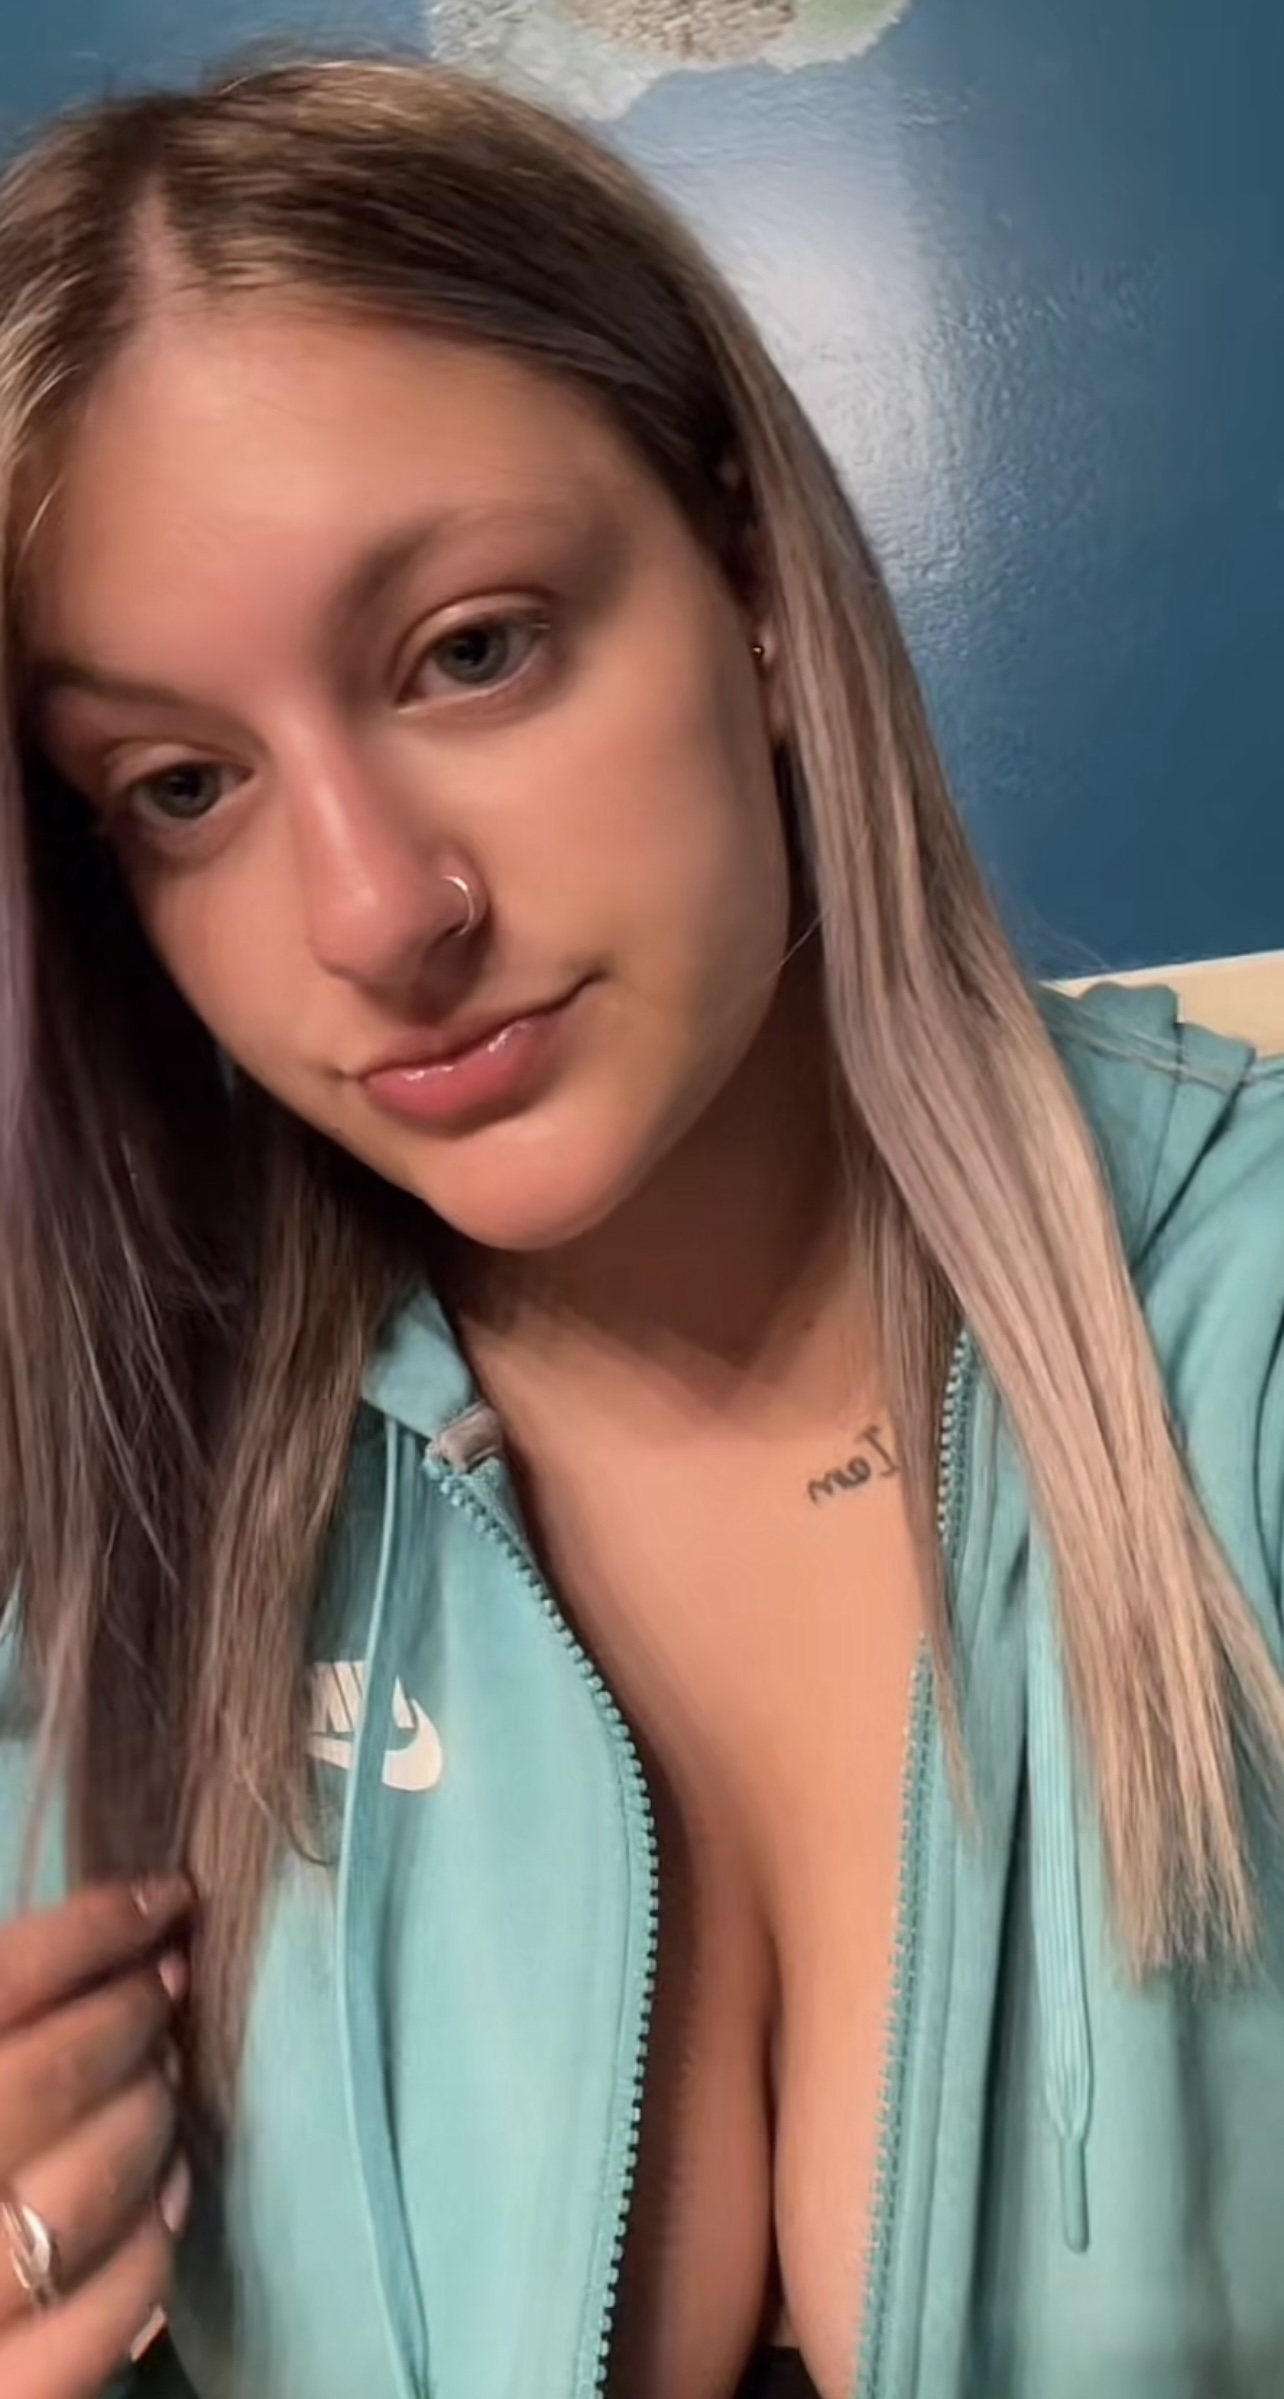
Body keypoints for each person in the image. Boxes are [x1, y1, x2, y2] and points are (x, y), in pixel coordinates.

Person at [0, 52, 1281, 2399]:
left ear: (757, 584)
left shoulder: (1245, 1334)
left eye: (474, 648)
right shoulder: (100, 1551)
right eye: (182, 785)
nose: (379, 915)